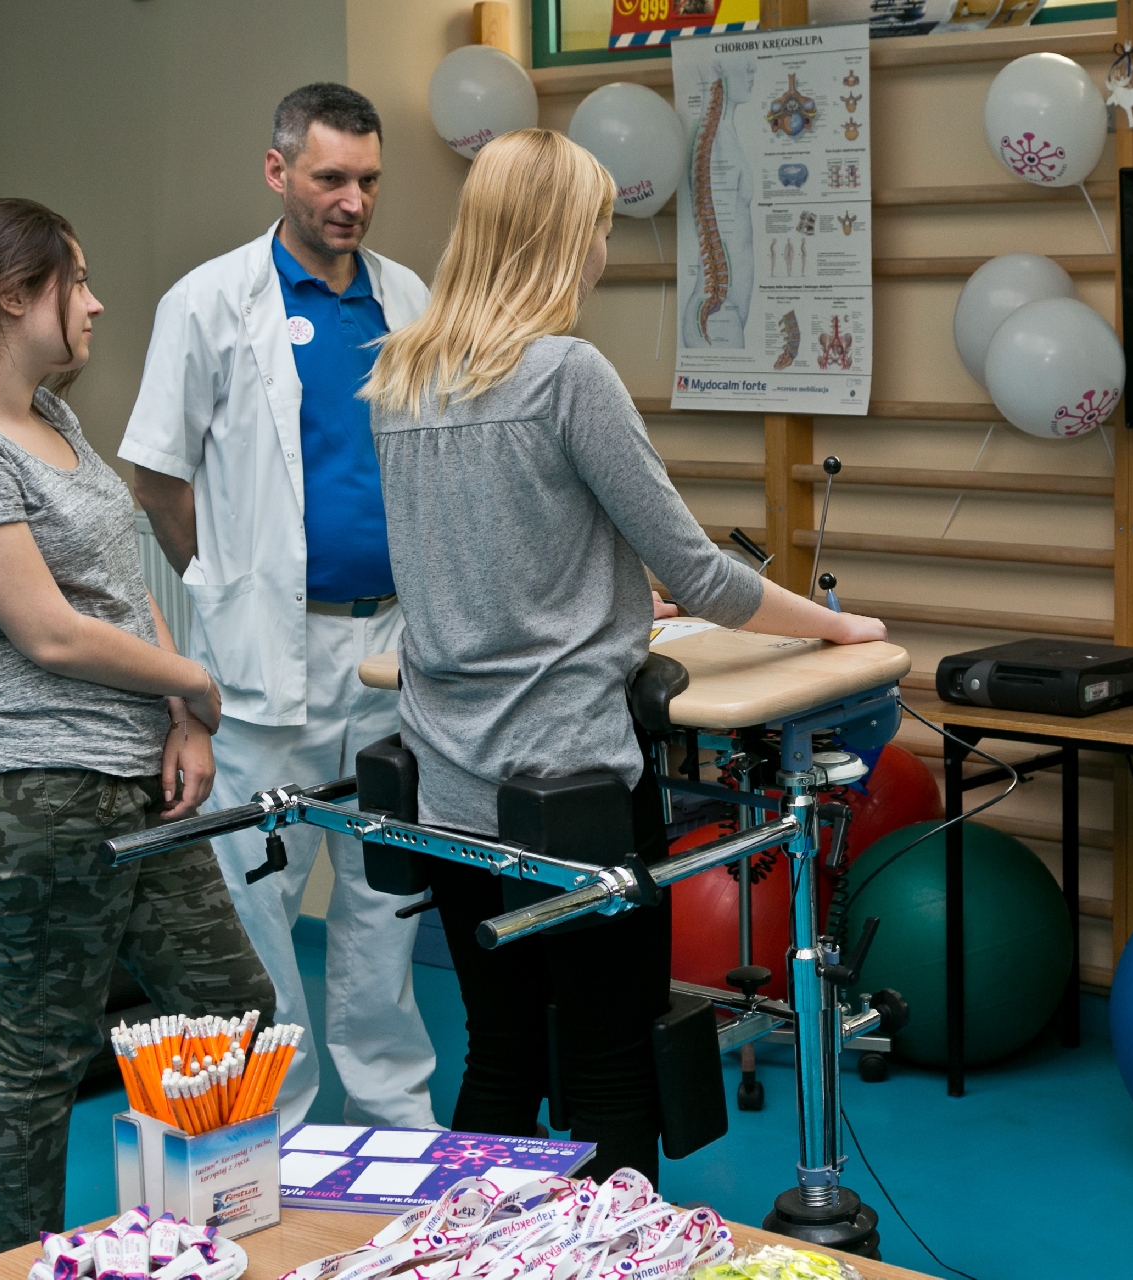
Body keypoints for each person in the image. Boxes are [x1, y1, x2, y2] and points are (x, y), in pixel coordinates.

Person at [362, 129, 887, 1182]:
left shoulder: (404, 374)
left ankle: (472, 1251)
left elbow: (468, 558)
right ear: (563, 239)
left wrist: (591, 585)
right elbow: (700, 573)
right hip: (572, 781)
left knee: (500, 1049)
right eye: (597, 228)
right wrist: (839, 626)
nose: (603, 250)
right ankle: (617, 1250)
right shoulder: (567, 373)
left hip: (448, 781)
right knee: (611, 1065)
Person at [0, 198, 274, 1254]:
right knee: (44, 1056)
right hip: (38, 788)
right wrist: (199, 678)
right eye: (78, 282)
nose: (96, 303)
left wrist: (183, 713)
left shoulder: (53, 415)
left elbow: (120, 584)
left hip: (137, 775)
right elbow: (50, 633)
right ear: (15, 296)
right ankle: (24, 1264)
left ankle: (203, 1237)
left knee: (234, 1007)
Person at [120, 83, 436, 1129]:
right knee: (257, 898)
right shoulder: (209, 301)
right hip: (266, 649)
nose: (353, 201)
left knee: (386, 889)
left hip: (393, 646)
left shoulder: (408, 299)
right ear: (278, 171)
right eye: (331, 178)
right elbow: (157, 475)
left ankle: (391, 1103)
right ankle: (276, 1121)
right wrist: (217, 583)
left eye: (369, 180)